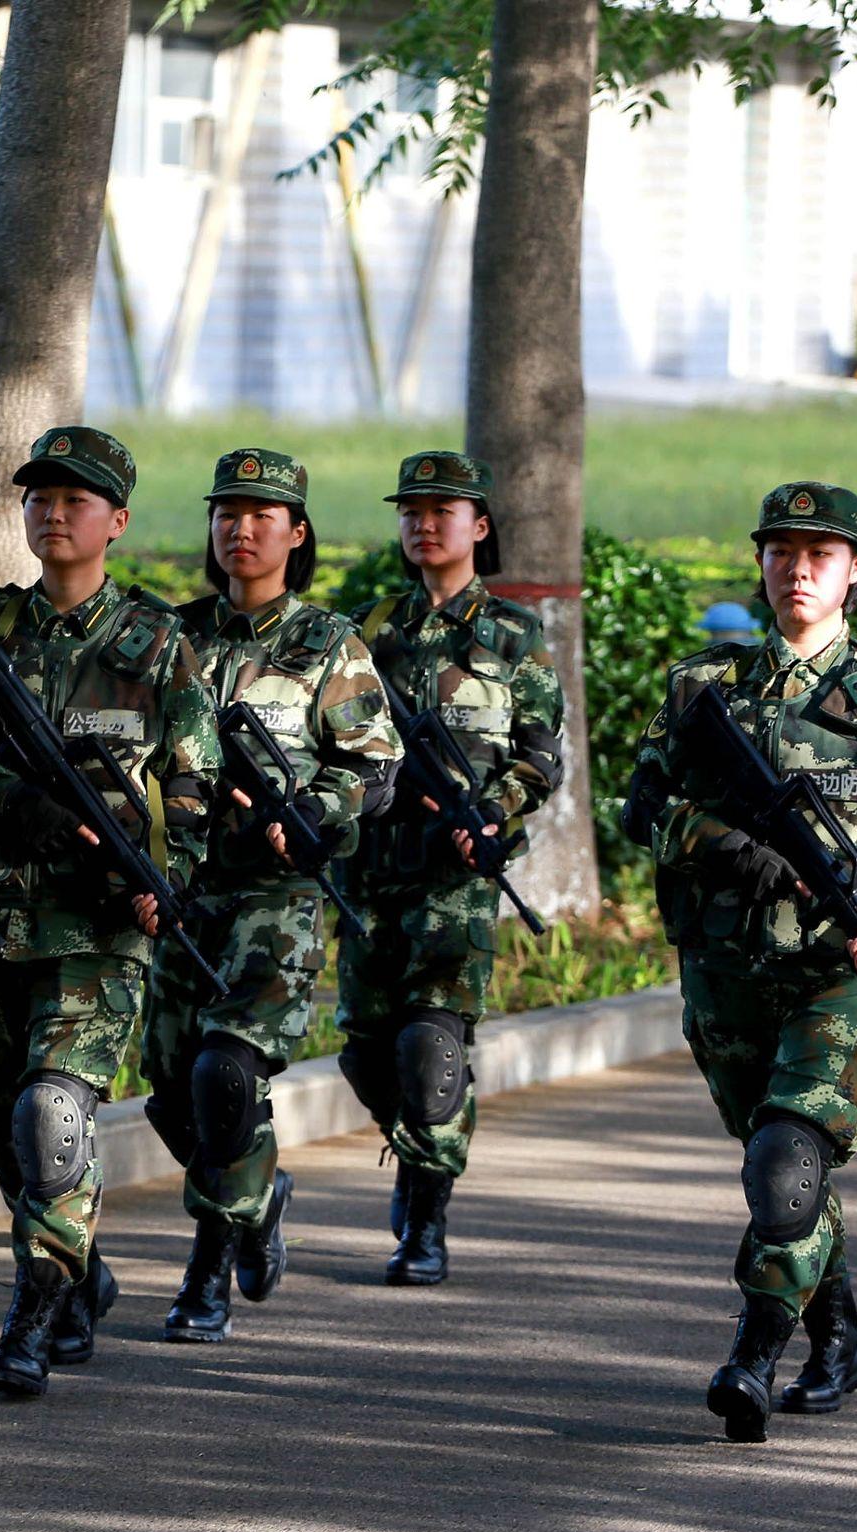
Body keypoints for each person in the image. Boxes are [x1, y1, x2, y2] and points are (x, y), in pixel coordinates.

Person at [624, 481, 857, 1443]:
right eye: (781, 552)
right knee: (782, 1173)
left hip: (837, 972)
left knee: (784, 1163)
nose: (797, 570)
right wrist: (731, 847)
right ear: (760, 562)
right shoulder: (703, 685)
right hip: (725, 969)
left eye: (819, 555)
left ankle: (753, 1356)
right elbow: (644, 807)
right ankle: (837, 1337)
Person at [0, 425, 222, 1397]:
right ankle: (78, 1266)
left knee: (52, 1112)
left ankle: (32, 1314)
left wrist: (163, 874)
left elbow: (192, 780)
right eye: (39, 497)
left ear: (118, 520)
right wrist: (7, 802)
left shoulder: (156, 644)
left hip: (96, 925)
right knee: (1, 1126)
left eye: (75, 499)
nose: (53, 513)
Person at [140, 448, 398, 1342]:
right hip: (180, 894)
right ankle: (257, 1199)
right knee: (170, 1093)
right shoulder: (170, 637)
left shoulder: (327, 644)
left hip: (272, 902)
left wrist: (312, 813)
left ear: (296, 533)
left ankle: (206, 1274)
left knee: (224, 1074)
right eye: (226, 514)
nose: (240, 530)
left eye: (261, 516)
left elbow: (374, 764)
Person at [336, 452, 564, 1286]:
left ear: (479, 526)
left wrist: (492, 812)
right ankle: (413, 1149)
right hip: (370, 872)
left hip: (454, 880)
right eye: (411, 512)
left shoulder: (511, 635)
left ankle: (425, 1223)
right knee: (367, 1052)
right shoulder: (363, 631)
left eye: (442, 512)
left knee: (430, 1047)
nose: (424, 525)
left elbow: (540, 755)